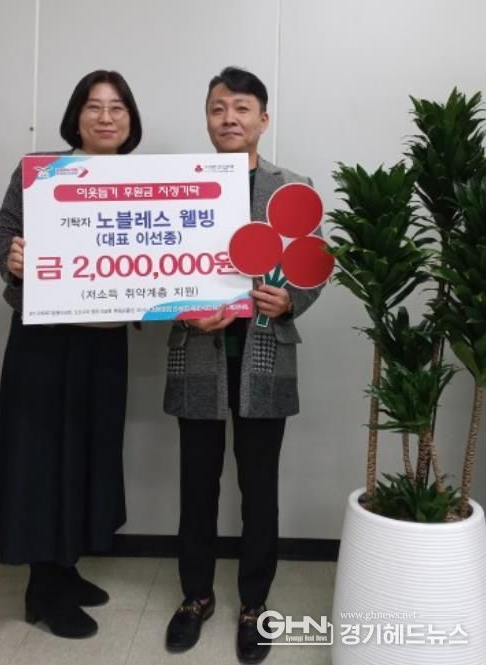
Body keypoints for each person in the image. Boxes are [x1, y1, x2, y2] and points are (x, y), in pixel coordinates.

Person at [164, 67, 323, 663]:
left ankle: (255, 604)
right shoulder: (177, 186)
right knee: (196, 487)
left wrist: (290, 301)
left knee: (260, 490)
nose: (228, 118)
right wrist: (182, 309)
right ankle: (196, 597)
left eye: (241, 108)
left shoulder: (293, 188)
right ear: (207, 118)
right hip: (197, 355)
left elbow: (313, 266)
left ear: (263, 118)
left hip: (264, 357)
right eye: (217, 108)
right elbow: (155, 267)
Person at [0, 70, 142, 639]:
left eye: (117, 107)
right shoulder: (41, 172)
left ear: (130, 120)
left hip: (104, 341)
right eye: (94, 106)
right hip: (45, 342)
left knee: (88, 453)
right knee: (42, 457)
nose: (106, 117)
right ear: (75, 117)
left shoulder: (146, 181)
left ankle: (66, 566)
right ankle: (42, 588)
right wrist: (13, 258)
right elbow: (1, 233)